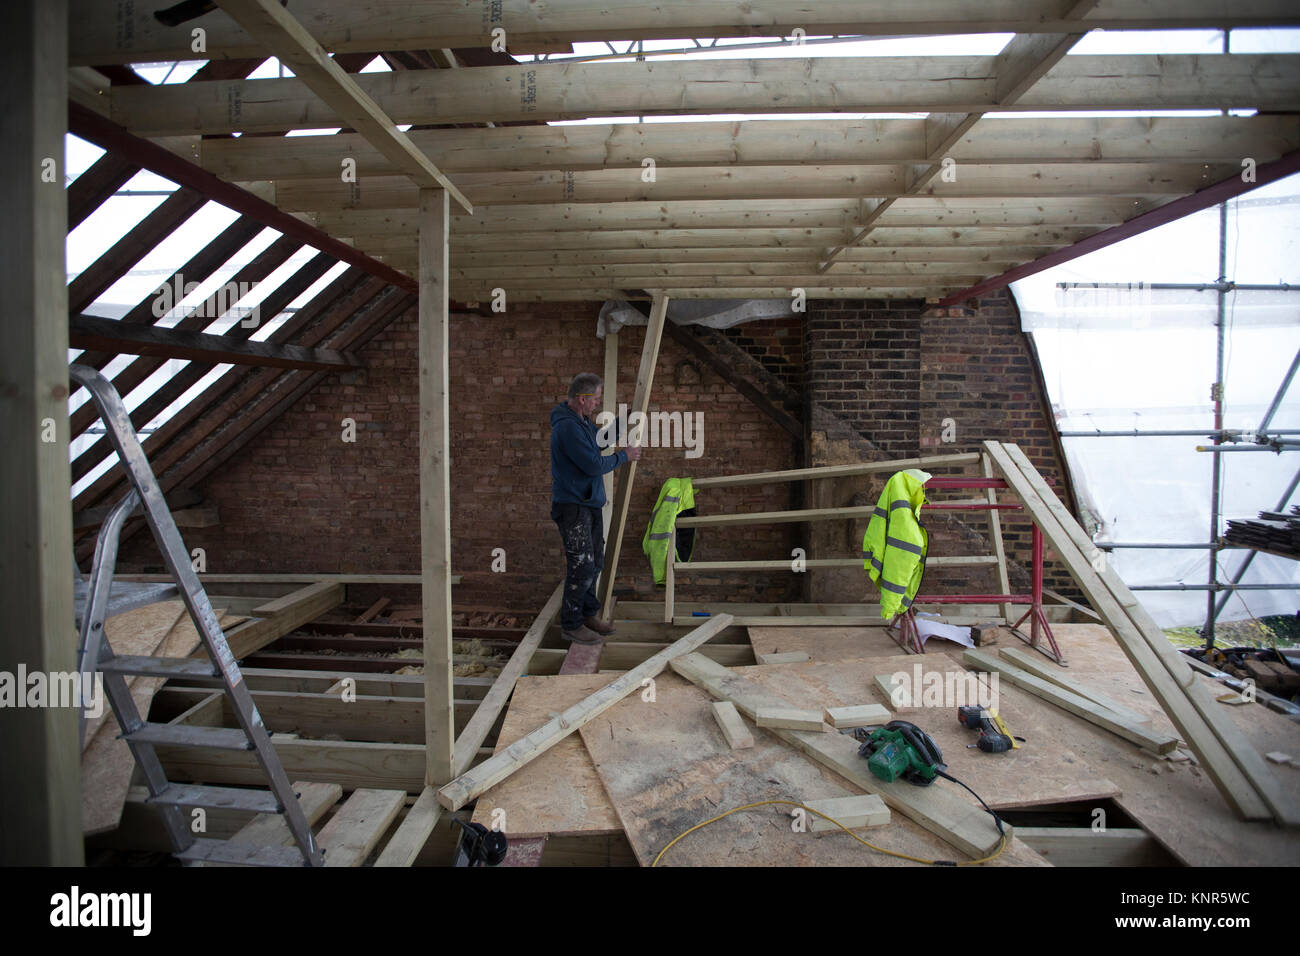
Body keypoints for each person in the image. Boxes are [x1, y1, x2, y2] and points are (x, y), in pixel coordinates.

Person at [550, 372, 641, 644]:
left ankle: (588, 614)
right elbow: (592, 464)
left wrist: (624, 421)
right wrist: (624, 456)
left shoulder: (582, 422)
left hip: (588, 503)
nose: (597, 404)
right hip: (573, 506)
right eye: (596, 399)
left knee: (595, 563)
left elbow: (599, 443)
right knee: (582, 566)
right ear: (582, 399)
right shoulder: (567, 427)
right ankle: (571, 624)